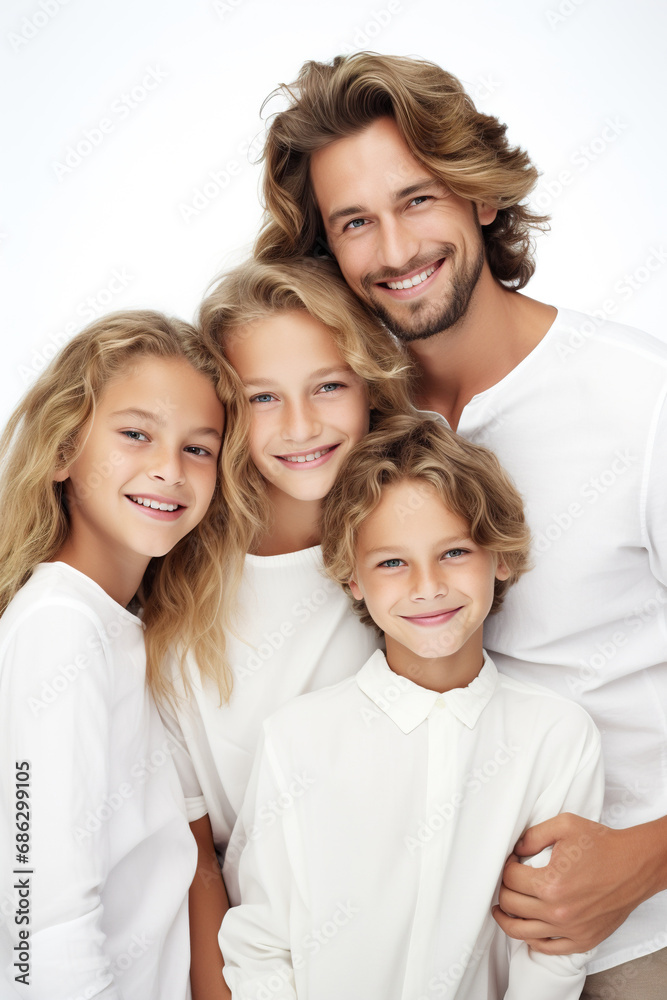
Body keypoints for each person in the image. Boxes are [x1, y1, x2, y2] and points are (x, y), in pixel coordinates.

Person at [253, 52, 667, 995]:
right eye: (355, 221)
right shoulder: (339, 421)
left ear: (480, 194)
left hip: (623, 938)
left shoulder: (641, 403)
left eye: (419, 199)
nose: (394, 249)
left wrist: (646, 859)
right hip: (414, 943)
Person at [220, 413, 604, 999]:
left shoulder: (556, 737)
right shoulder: (296, 739)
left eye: (453, 552)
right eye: (392, 562)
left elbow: (552, 951)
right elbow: (262, 942)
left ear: (499, 557)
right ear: (353, 578)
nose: (427, 586)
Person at [157, 255, 416, 998]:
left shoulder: (412, 555)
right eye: (262, 396)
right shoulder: (182, 582)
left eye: (328, 385)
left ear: (370, 382)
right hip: (266, 964)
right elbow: (193, 839)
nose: (300, 426)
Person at [0, 310, 231, 999]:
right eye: (136, 434)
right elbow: (37, 920)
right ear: (64, 451)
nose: (169, 470)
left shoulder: (126, 629)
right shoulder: (59, 626)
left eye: (199, 448)